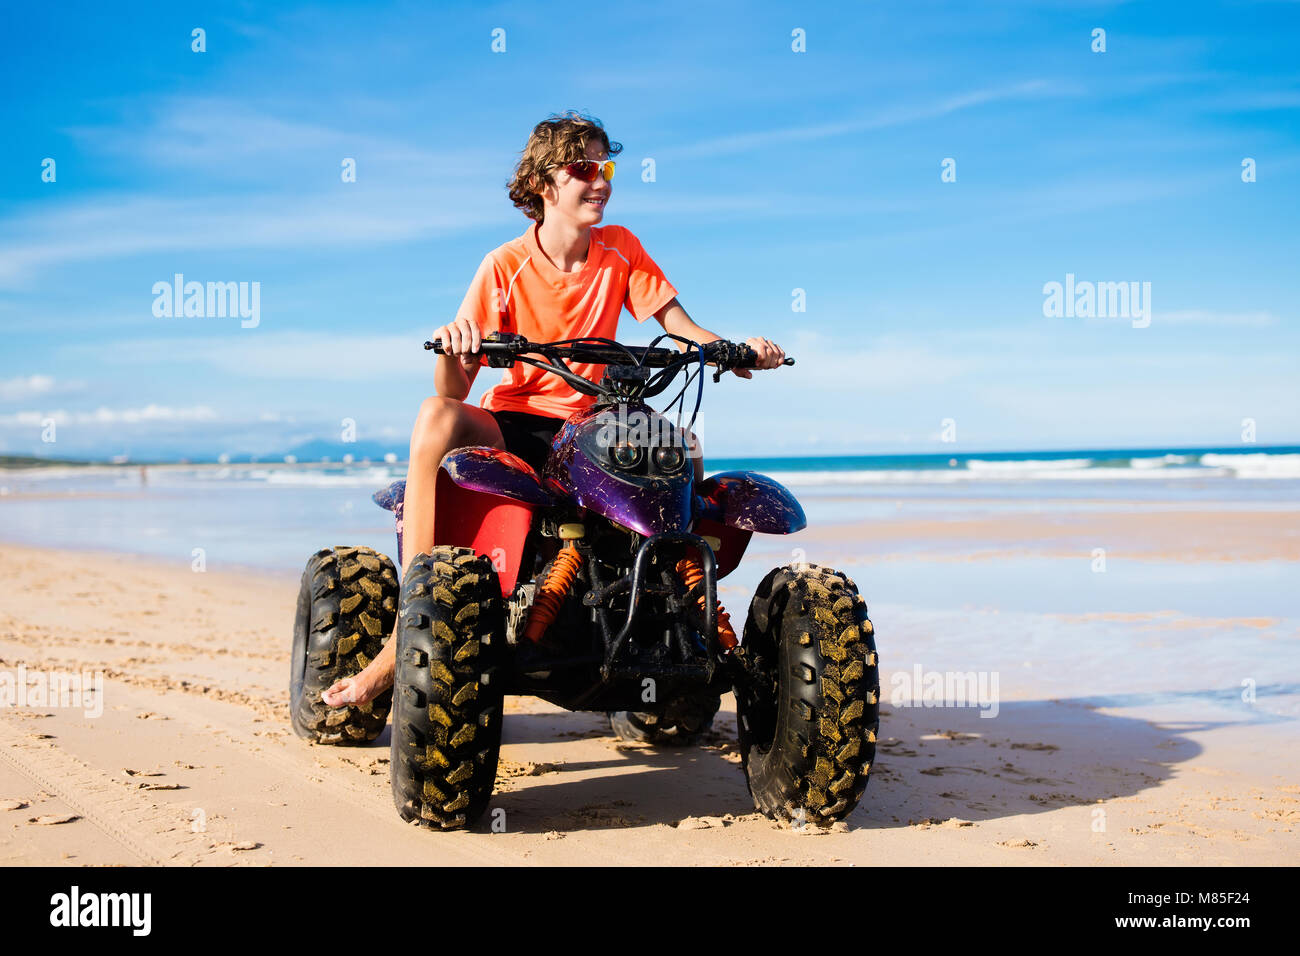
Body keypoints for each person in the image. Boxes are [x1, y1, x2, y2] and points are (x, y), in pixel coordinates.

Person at [323, 111, 784, 708]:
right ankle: (403, 629)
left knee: (682, 448)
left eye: (606, 167)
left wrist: (731, 348)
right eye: (584, 168)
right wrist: (460, 342)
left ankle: (677, 620)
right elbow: (453, 386)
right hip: (517, 422)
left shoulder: (621, 249)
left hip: (592, 428)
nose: (601, 180)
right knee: (434, 416)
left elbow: (681, 326)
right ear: (545, 182)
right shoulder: (503, 266)